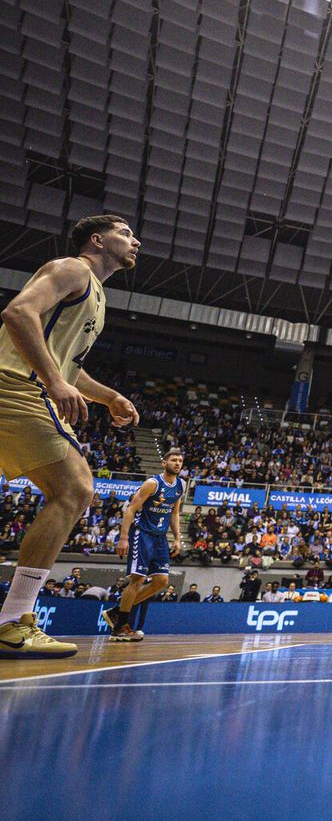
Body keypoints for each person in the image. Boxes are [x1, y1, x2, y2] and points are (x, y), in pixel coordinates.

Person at [0, 214, 141, 657]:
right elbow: (17, 312)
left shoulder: (96, 294)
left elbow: (68, 368)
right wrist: (54, 382)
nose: (135, 241)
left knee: (73, 490)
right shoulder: (72, 269)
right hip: (15, 387)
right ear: (97, 240)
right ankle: (12, 621)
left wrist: (109, 396)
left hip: (23, 387)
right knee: (75, 489)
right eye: (125, 233)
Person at [106, 448, 187, 642]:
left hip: (160, 537)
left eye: (180, 461)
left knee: (161, 581)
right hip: (141, 533)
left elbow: (174, 513)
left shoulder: (181, 485)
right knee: (138, 579)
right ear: (164, 463)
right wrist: (123, 538)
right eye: (173, 460)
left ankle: (117, 612)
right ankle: (120, 627)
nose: (177, 463)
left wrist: (177, 538)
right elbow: (131, 509)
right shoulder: (152, 483)